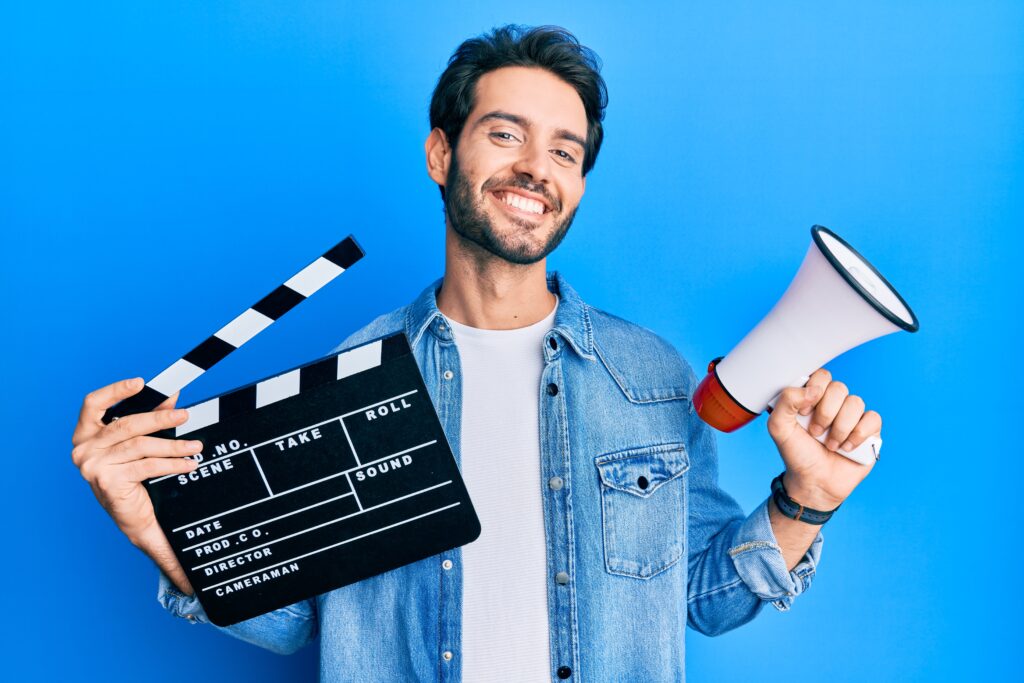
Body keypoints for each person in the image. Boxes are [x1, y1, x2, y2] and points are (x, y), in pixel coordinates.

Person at [71, 25, 882, 682]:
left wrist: (804, 502)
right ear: (440, 155)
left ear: (580, 186)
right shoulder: (356, 370)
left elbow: (706, 600)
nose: (536, 166)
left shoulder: (652, 377)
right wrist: (159, 530)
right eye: (504, 134)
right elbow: (293, 621)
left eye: (565, 151)